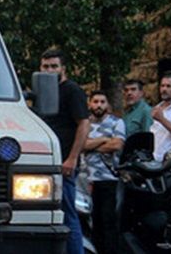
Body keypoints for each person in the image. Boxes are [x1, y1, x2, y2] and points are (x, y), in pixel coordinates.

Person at [38, 48, 90, 254]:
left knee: (67, 214)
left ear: (63, 68)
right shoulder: (43, 92)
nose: (50, 70)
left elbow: (84, 124)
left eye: (54, 66)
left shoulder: (72, 91)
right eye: (45, 66)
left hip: (64, 164)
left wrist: (72, 158)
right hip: (47, 162)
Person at [83, 91, 125, 254]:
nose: (99, 105)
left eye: (102, 102)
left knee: (108, 220)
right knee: (92, 221)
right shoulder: (84, 124)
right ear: (89, 104)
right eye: (95, 102)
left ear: (107, 104)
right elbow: (81, 145)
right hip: (86, 179)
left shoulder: (117, 122)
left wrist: (90, 145)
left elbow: (117, 145)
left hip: (108, 178)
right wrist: (103, 139)